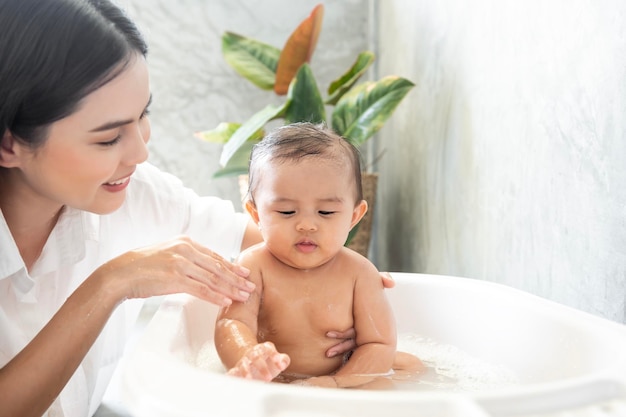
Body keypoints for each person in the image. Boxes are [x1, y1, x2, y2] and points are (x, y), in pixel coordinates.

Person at [0, 2, 395, 416]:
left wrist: (340, 284)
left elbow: (262, 233)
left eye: (142, 116)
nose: (140, 152)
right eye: (108, 138)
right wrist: (111, 283)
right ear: (10, 143)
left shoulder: (135, 191)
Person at [215, 123, 422, 388]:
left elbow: (378, 344)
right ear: (256, 215)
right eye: (287, 212)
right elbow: (231, 323)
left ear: (354, 216)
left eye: (326, 213)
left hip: (342, 378)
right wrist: (247, 356)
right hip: (277, 382)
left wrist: (337, 383)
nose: (307, 225)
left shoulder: (359, 274)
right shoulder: (254, 266)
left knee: (412, 367)